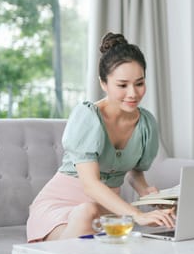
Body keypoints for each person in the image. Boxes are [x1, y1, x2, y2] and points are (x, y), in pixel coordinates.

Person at [26, 32, 175, 242]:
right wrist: (137, 215)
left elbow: (135, 174)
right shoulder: (88, 117)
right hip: (60, 209)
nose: (133, 93)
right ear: (103, 84)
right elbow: (90, 185)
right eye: (122, 85)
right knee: (87, 212)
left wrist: (151, 197)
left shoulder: (146, 124)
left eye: (139, 83)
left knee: (98, 220)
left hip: (106, 209)